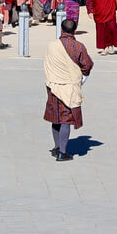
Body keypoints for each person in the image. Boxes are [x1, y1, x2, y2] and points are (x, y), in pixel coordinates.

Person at [44, 17, 92, 162]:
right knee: (66, 119)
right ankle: (62, 153)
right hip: (69, 87)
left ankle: (57, 147)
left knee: (56, 118)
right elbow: (87, 65)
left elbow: (48, 63)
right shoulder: (79, 47)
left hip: (53, 85)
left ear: (61, 29)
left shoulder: (52, 45)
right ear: (75, 30)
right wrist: (81, 77)